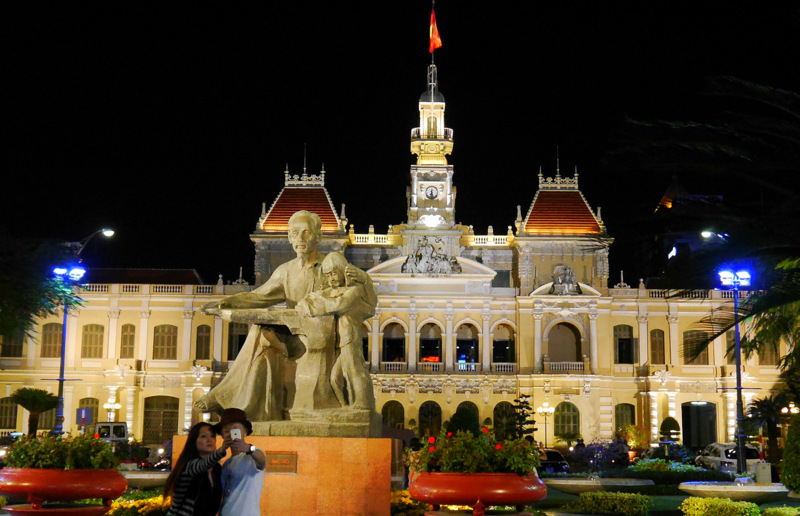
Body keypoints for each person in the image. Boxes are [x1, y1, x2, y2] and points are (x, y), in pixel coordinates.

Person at [196, 210, 374, 419]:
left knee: (263, 332)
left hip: (325, 335)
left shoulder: (331, 266)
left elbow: (361, 297)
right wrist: (227, 302)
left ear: (318, 236)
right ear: (289, 238)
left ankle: (224, 396)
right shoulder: (286, 271)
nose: (300, 238)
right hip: (295, 333)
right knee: (260, 332)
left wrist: (362, 279)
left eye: (306, 233)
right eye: (295, 233)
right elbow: (258, 296)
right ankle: (234, 402)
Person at [296, 252, 376, 410]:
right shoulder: (333, 292)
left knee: (354, 370)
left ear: (342, 270)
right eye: (327, 275)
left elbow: (338, 305)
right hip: (337, 342)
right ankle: (345, 406)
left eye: (333, 273)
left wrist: (311, 304)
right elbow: (318, 298)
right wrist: (306, 302)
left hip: (349, 338)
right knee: (334, 378)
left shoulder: (354, 290)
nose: (331, 278)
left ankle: (362, 403)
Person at [164, 422, 231, 516]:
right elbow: (202, 465)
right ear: (194, 441)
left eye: (212, 436)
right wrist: (222, 450)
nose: (209, 440)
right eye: (203, 436)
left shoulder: (217, 469)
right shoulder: (190, 464)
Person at [213, 408, 266, 516]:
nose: (231, 434)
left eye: (235, 430)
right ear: (222, 435)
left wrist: (247, 448)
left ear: (245, 432)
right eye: (227, 431)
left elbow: (261, 460)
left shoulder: (251, 456)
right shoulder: (226, 464)